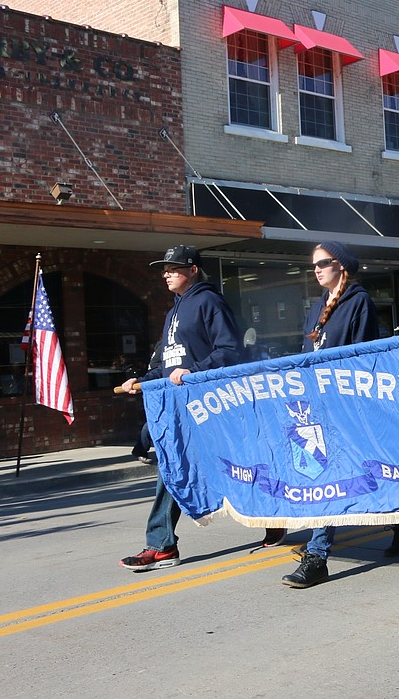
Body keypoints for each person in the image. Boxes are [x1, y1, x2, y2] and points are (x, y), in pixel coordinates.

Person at [119, 245, 270, 571]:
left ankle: (274, 515)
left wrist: (195, 371)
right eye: (164, 269)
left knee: (240, 463)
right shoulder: (174, 312)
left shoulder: (208, 302)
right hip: (181, 408)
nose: (166, 273)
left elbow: (229, 351)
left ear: (193, 270)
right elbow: (168, 365)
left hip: (211, 405)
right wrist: (141, 380)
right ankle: (161, 546)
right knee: (172, 468)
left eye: (173, 267)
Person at [282, 241, 388, 589]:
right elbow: (306, 354)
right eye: (314, 264)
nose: (317, 269)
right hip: (316, 405)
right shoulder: (316, 307)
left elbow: (363, 356)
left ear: (341, 267)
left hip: (345, 403)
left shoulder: (358, 301)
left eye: (324, 263)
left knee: (334, 474)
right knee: (331, 474)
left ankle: (318, 554)